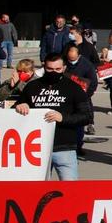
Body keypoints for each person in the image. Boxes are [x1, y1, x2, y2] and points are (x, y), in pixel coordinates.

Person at [14, 52, 91, 180]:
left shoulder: (74, 88)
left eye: (57, 69)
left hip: (64, 147)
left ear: (64, 68)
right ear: (44, 67)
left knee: (70, 191)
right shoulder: (32, 86)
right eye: (50, 69)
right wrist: (20, 106)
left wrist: (63, 118)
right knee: (39, 191)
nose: (53, 72)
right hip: (36, 148)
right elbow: (15, 109)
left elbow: (86, 116)